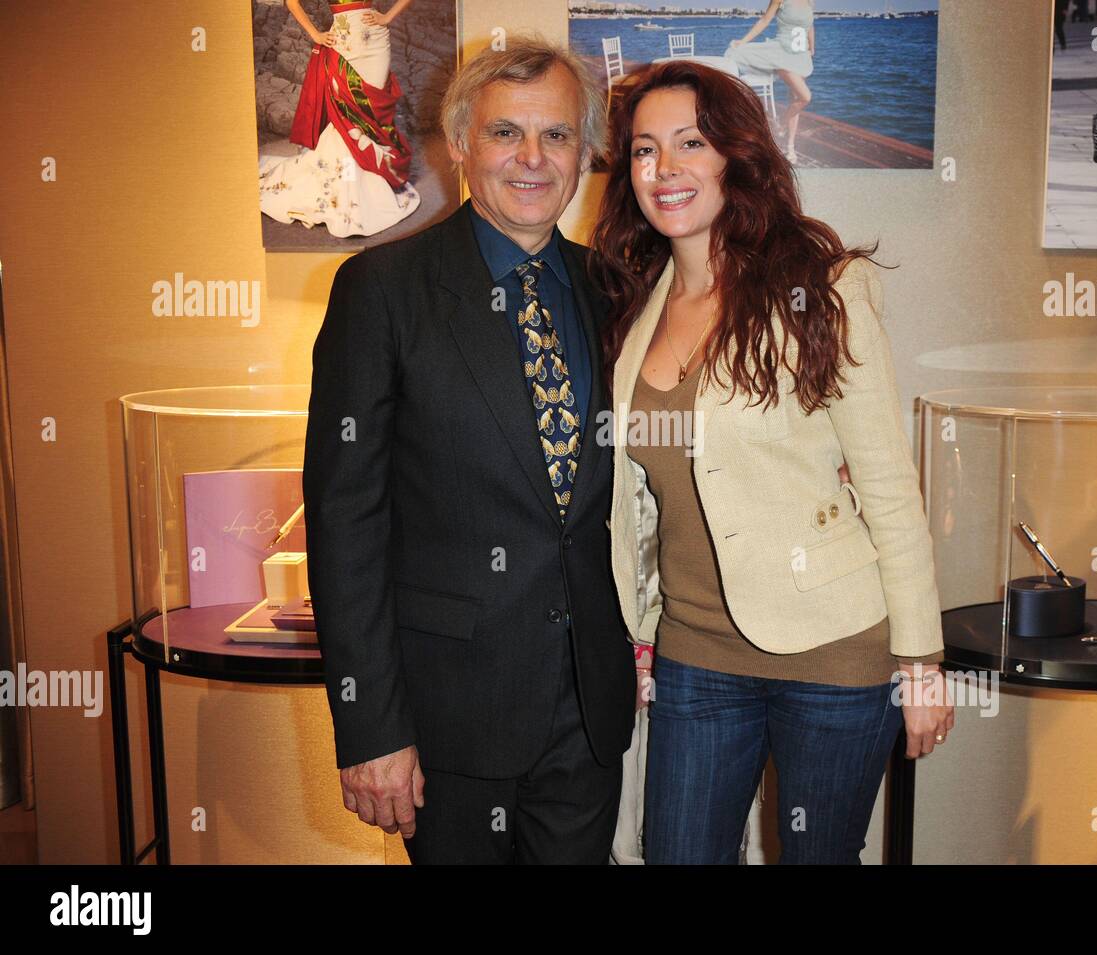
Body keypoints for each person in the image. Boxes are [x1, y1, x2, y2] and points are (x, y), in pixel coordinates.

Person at [590, 60, 953, 865]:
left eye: (691, 142)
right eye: (645, 150)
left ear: (736, 155)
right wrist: (639, 629)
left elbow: (890, 487)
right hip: (695, 653)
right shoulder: (630, 304)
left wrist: (922, 660)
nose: (665, 169)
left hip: (835, 650)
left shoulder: (822, 289)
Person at [302, 39, 636, 864]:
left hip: (587, 716)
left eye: (557, 136)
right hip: (447, 716)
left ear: (585, 152)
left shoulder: (615, 291)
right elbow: (346, 523)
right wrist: (371, 727)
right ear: (459, 145)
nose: (532, 159)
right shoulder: (381, 290)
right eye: (505, 134)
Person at [259, 0, 420, 237]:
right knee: (347, 118)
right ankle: (348, 192)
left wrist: (387, 17)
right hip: (344, 46)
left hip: (375, 44)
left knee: (374, 116)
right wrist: (315, 34)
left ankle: (371, 186)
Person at [724, 0, 814, 164]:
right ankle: (780, 125)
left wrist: (812, 49)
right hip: (782, 53)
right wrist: (743, 41)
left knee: (795, 101)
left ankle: (790, 147)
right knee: (805, 97)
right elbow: (765, 20)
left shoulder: (809, 1)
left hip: (802, 56)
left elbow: (809, 26)